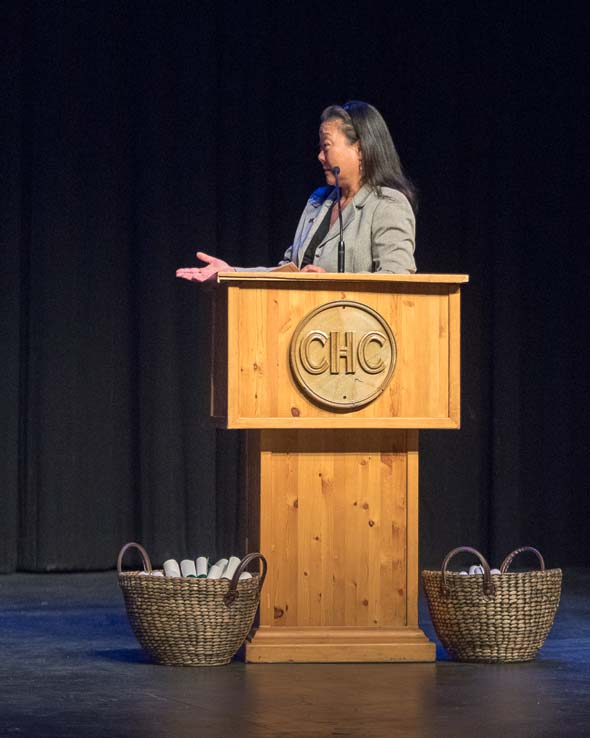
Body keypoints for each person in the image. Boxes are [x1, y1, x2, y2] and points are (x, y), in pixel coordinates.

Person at [176, 101, 417, 284]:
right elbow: (289, 271)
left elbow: (397, 280)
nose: (320, 156)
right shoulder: (318, 201)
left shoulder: (388, 204)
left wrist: (331, 283)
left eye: (327, 147)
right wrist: (231, 273)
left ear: (361, 149)